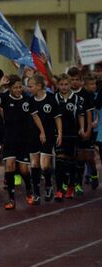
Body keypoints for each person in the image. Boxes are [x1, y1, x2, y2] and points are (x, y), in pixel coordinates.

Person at [0, 75, 46, 209]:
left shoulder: (27, 100)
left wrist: (42, 131)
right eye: (15, 87)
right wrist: (0, 84)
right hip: (9, 139)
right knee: (9, 167)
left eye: (20, 87)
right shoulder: (4, 98)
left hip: (24, 139)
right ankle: (11, 198)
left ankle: (29, 190)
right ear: (9, 88)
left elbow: (35, 116)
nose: (18, 90)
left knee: (24, 170)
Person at [28, 73, 62, 202]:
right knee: (35, 163)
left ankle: (48, 185)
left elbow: (57, 117)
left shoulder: (51, 98)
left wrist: (59, 133)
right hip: (33, 135)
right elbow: (35, 117)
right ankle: (36, 194)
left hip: (48, 135)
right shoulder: (31, 101)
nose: (29, 88)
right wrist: (39, 132)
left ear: (39, 86)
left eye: (31, 86)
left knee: (45, 166)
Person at [53, 73, 85, 201]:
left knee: (71, 162)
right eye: (61, 84)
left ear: (69, 84)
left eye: (66, 84)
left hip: (72, 134)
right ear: (58, 85)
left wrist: (82, 128)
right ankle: (59, 190)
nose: (64, 87)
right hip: (58, 134)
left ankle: (71, 186)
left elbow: (80, 115)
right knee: (59, 161)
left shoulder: (77, 99)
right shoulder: (54, 98)